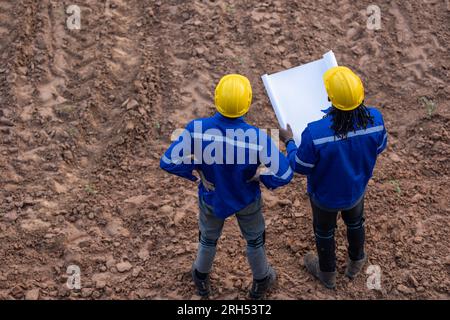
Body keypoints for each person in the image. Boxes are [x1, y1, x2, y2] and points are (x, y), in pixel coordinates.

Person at [160, 74, 293, 298]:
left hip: (212, 197)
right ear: (248, 103)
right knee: (254, 240)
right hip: (246, 198)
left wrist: (196, 170)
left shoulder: (197, 129)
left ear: (216, 98)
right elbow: (285, 173)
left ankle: (200, 277)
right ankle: (261, 280)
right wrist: (262, 178)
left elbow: (168, 162)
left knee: (208, 239)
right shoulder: (258, 138)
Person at [279, 66, 388, 289]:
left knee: (324, 232)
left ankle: (327, 273)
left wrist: (289, 142)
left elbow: (300, 166)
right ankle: (356, 260)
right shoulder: (375, 119)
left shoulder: (315, 133)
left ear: (329, 97)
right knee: (355, 223)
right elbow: (379, 146)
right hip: (356, 190)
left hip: (324, 197)